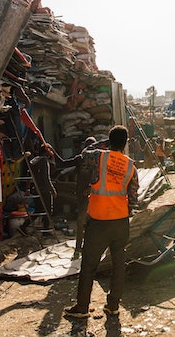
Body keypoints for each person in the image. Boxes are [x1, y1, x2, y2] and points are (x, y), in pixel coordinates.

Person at [64, 125, 139, 319]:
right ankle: (113, 306)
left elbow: (83, 153)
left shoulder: (99, 156)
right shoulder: (131, 165)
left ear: (108, 141)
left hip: (99, 222)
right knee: (118, 265)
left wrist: (104, 144)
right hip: (121, 222)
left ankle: (82, 307)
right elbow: (133, 198)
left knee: (88, 265)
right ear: (126, 143)